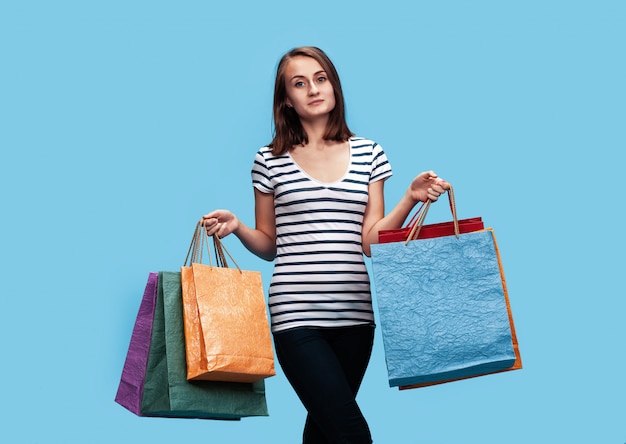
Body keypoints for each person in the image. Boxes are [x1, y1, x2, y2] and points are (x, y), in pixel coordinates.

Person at [203, 46, 449, 444]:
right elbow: (269, 246)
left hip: (356, 320)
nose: (313, 89)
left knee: (324, 432)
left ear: (333, 85)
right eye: (299, 83)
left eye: (320, 78)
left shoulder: (370, 152)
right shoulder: (269, 159)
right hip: (295, 317)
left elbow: (371, 242)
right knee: (350, 432)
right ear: (286, 99)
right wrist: (237, 226)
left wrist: (410, 197)